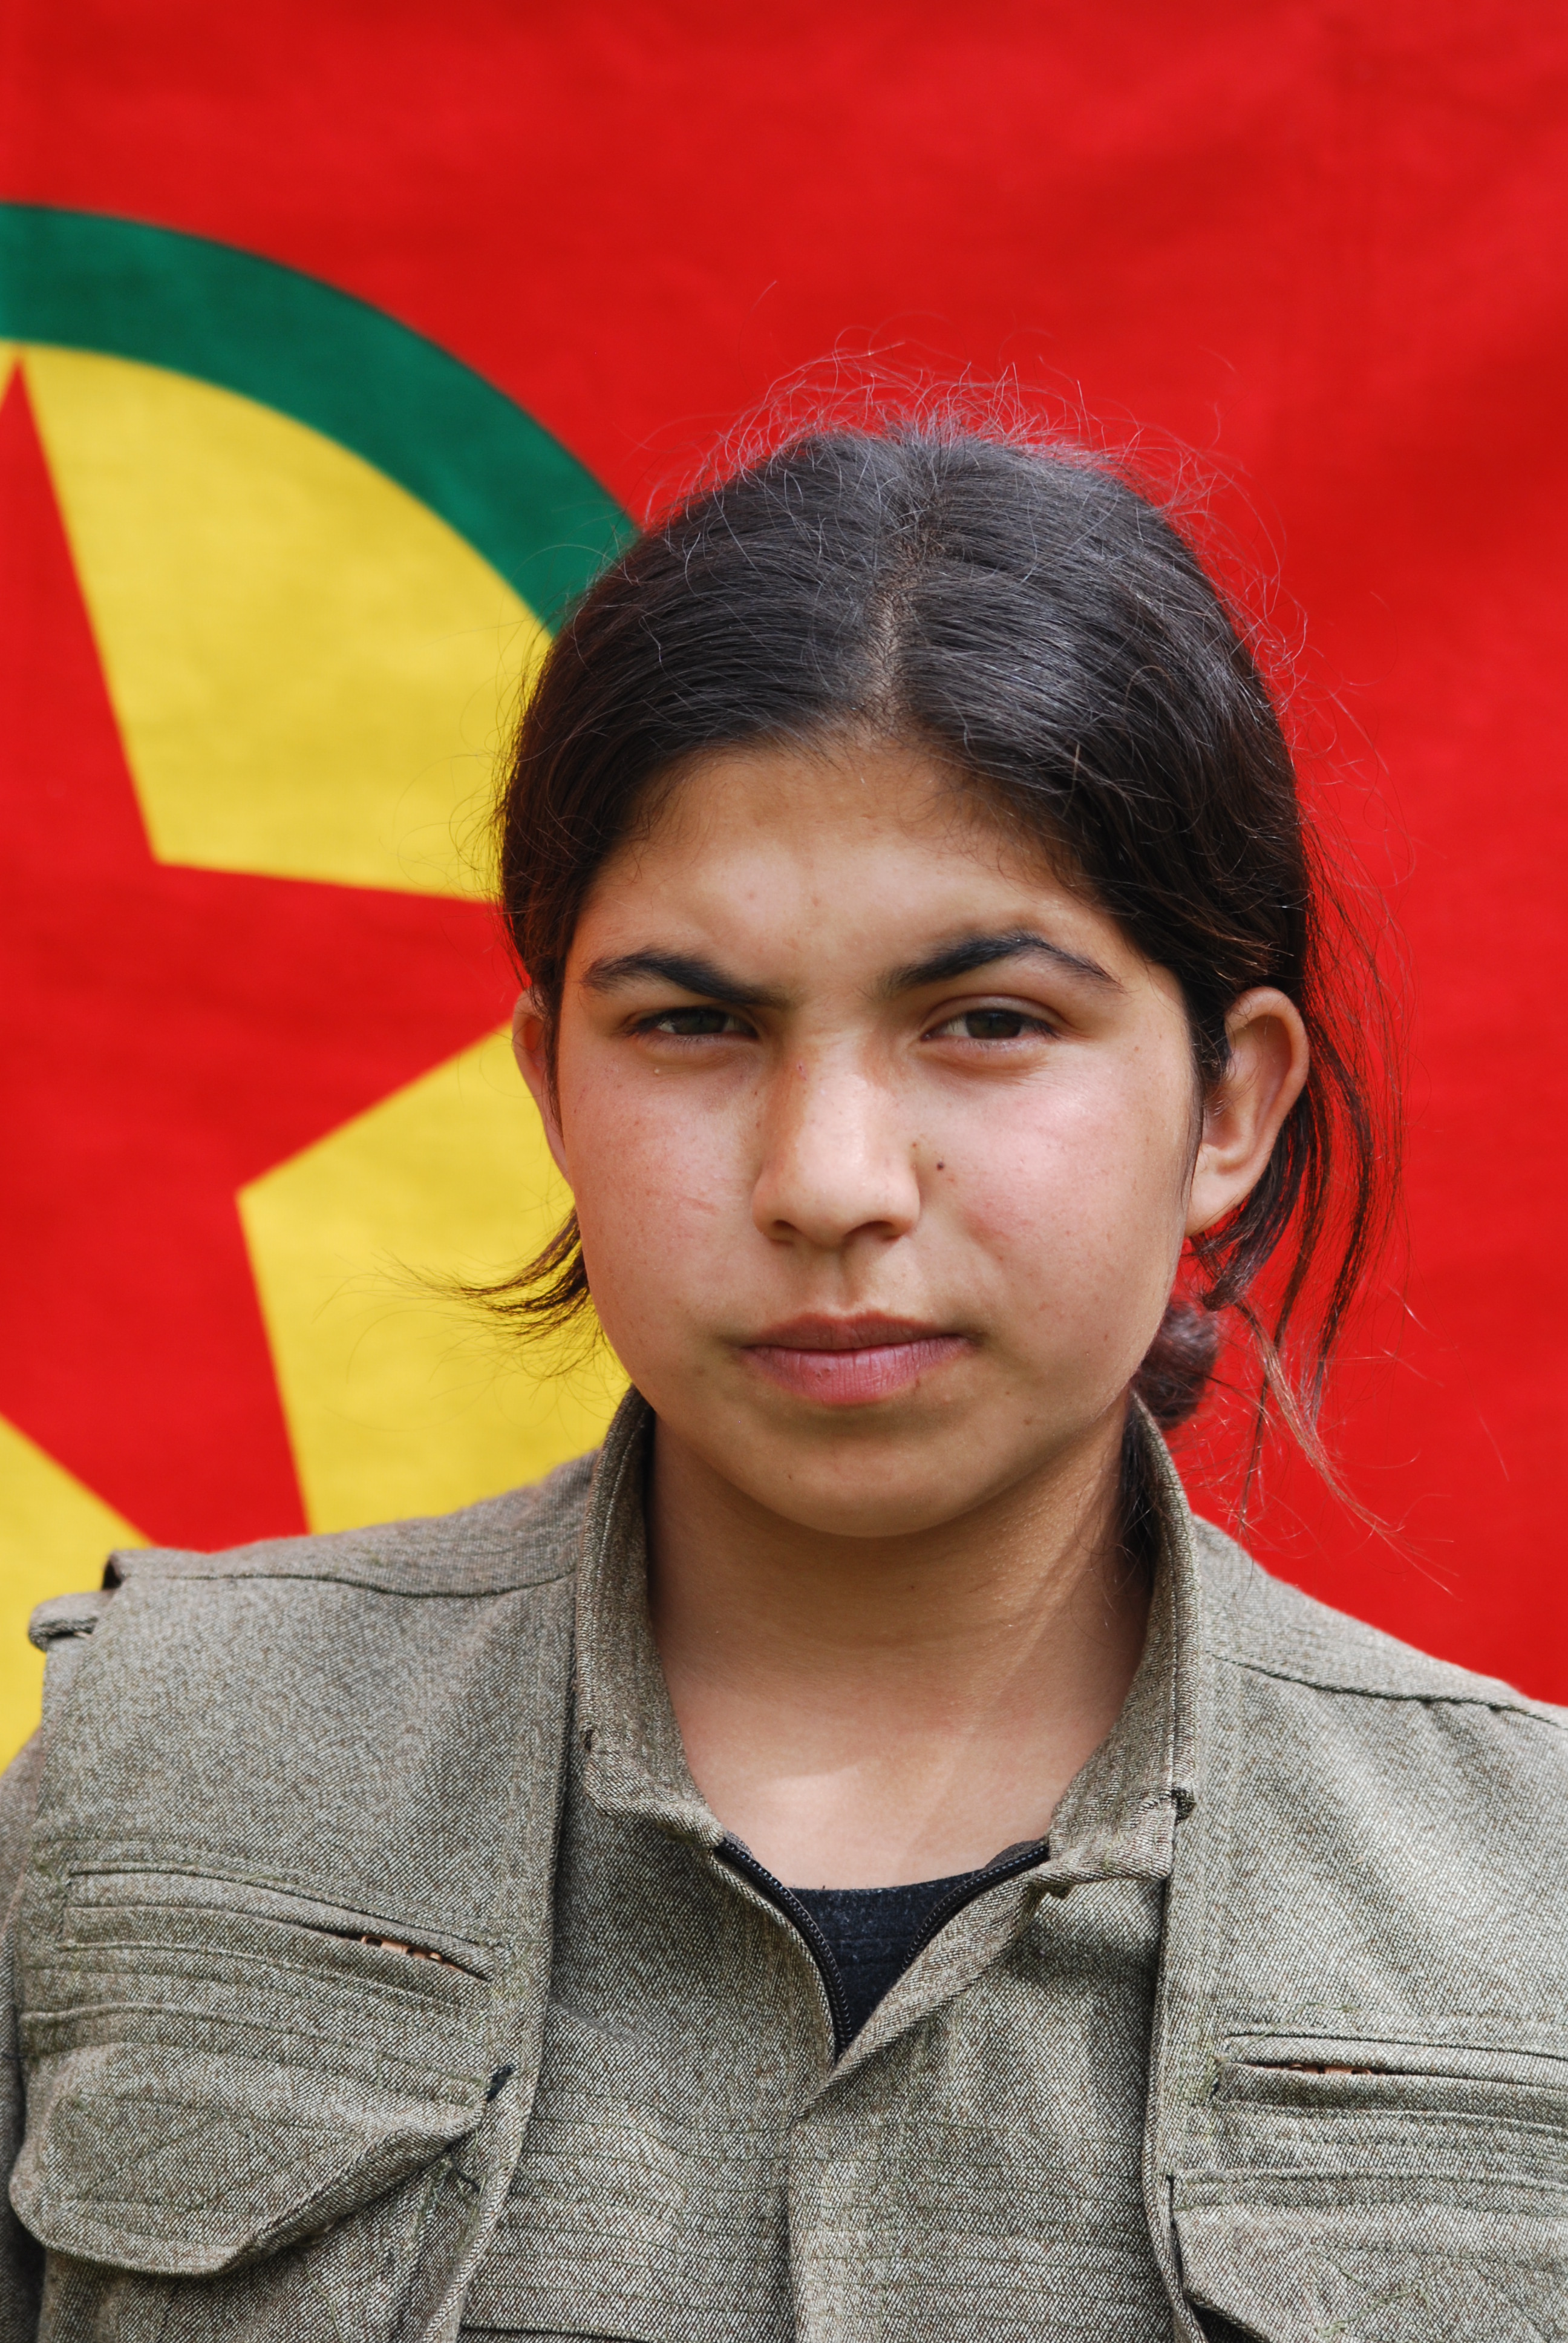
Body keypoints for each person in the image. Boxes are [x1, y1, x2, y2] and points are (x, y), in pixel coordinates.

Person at [2, 420, 1565, 2343]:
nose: (826, 1181)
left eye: (987, 1020)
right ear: (551, 1085)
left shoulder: (1532, 1904)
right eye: (694, 1025)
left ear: (1229, 1106)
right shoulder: (165, 1770)